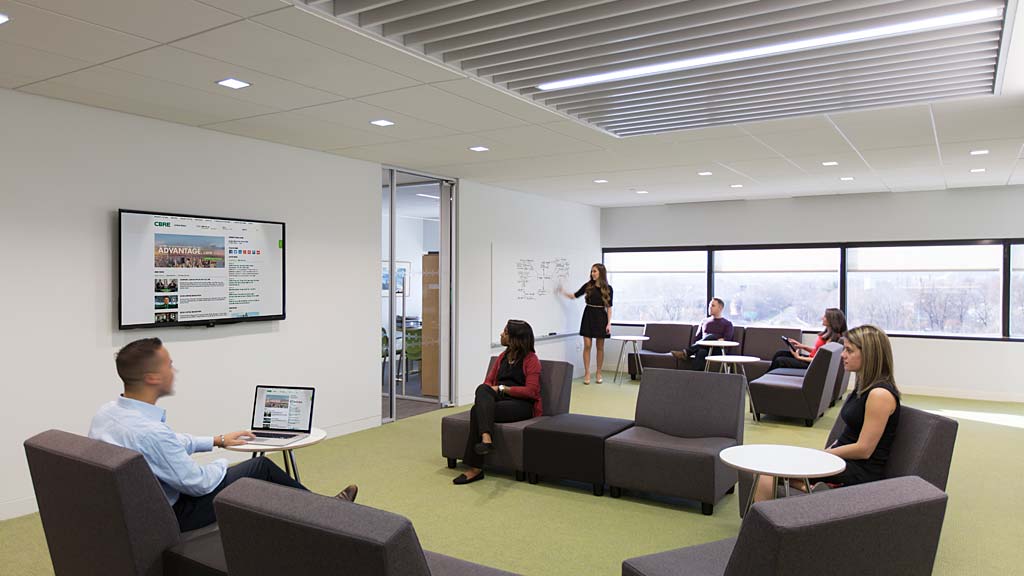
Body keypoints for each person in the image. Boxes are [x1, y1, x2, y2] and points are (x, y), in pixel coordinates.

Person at [89, 338, 358, 532]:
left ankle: (308, 517)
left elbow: (167, 444)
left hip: (134, 510)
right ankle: (330, 514)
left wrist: (217, 440)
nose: (174, 371)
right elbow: (199, 484)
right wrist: (221, 463)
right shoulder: (151, 434)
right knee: (260, 467)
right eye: (169, 365)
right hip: (175, 514)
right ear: (152, 378)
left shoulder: (109, 414)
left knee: (252, 473)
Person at [753, 325, 901, 502]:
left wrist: (823, 456)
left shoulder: (880, 395)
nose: (843, 355)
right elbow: (849, 435)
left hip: (858, 470)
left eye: (849, 350)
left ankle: (761, 527)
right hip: (842, 460)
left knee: (767, 475)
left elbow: (864, 449)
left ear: (869, 355)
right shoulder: (863, 387)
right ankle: (809, 488)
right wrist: (822, 455)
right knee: (769, 469)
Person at [453, 320, 542, 485]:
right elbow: (488, 383)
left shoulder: (531, 360)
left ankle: (476, 468)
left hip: (521, 405)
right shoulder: (502, 357)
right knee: (482, 389)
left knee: (476, 412)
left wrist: (503, 389)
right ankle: (486, 439)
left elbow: (532, 391)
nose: (501, 334)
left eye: (505, 332)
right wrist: (491, 391)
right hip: (500, 400)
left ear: (515, 338)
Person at [562, 263, 613, 384]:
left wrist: (609, 323)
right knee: (587, 345)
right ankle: (587, 372)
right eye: (591, 271)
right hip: (588, 315)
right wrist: (563, 292)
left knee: (600, 347)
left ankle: (599, 372)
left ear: (601, 272)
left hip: (601, 316)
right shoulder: (588, 286)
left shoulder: (608, 288)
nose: (592, 274)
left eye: (594, 271)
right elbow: (574, 296)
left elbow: (609, 307)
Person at [767, 308, 848, 371]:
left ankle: (765, 381)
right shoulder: (828, 333)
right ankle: (764, 379)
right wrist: (802, 346)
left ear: (832, 320)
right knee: (780, 353)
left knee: (780, 361)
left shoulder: (833, 339)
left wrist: (799, 358)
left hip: (812, 364)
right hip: (811, 359)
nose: (822, 318)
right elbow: (820, 352)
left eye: (825, 317)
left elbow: (822, 359)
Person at [672, 298, 734, 371]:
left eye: (713, 306)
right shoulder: (704, 321)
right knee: (701, 352)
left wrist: (714, 340)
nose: (710, 308)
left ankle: (686, 352)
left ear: (720, 308)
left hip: (718, 350)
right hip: (703, 349)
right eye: (709, 306)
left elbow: (726, 339)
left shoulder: (727, 324)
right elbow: (697, 339)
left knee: (711, 336)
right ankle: (697, 377)